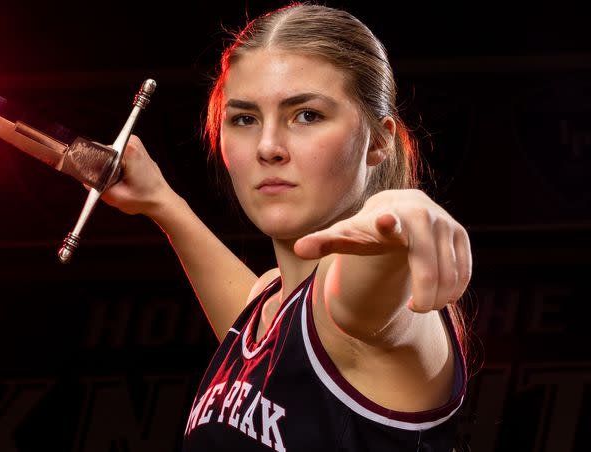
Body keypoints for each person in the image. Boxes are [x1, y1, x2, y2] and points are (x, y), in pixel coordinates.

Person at [99, 3, 471, 450]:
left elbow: (364, 283)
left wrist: (402, 213)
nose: (268, 146)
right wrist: (161, 202)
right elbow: (273, 335)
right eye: (244, 119)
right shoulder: (273, 305)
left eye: (307, 115)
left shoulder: (361, 303)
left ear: (379, 141)